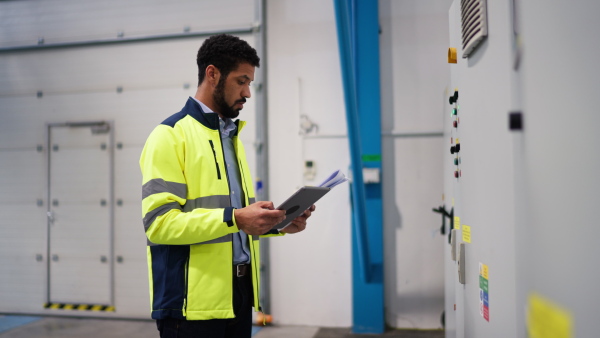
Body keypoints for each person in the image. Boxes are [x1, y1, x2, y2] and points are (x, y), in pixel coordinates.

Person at [139, 34, 315, 338]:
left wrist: (277, 224)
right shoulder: (169, 136)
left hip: (237, 296)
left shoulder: (230, 139)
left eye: (250, 83)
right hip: (190, 306)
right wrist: (235, 218)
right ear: (213, 74)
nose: (248, 92)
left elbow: (236, 222)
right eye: (241, 81)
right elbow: (159, 224)